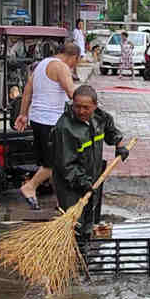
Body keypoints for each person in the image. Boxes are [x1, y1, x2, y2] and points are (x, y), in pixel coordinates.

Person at [51, 84, 129, 239]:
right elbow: (66, 165)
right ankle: (72, 255)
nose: (81, 111)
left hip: (92, 178)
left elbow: (109, 126)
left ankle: (86, 255)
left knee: (89, 221)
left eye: (86, 108)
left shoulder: (98, 117)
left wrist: (118, 144)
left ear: (95, 106)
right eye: (77, 107)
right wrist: (83, 182)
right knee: (74, 226)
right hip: (71, 186)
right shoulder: (64, 128)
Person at [13, 41, 80, 208]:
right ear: (73, 57)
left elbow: (27, 92)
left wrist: (23, 114)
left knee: (51, 164)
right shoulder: (61, 67)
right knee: (56, 163)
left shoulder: (41, 65)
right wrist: (89, 103)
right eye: (76, 62)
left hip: (37, 120)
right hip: (51, 122)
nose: (74, 66)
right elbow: (72, 93)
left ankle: (61, 201)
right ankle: (30, 187)